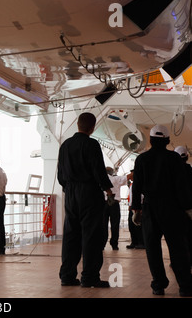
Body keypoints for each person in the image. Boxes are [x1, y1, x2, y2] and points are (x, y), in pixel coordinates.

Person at [132, 125, 192, 297]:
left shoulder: (141, 160)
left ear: (150, 140)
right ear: (167, 141)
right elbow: (181, 187)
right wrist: (188, 208)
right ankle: (185, 286)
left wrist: (136, 209)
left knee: (152, 248)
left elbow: (136, 187)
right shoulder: (174, 159)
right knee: (178, 248)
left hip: (150, 208)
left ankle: (158, 285)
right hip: (172, 209)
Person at [57, 112, 113, 288]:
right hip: (89, 193)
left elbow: (61, 174)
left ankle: (67, 276)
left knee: (71, 235)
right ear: (92, 127)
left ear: (78, 125)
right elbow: (98, 170)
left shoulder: (65, 145)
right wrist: (107, 189)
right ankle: (89, 277)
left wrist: (69, 188)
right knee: (91, 236)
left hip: (71, 193)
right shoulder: (92, 144)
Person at [103, 167, 132, 250]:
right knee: (115, 224)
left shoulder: (101, 179)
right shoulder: (116, 179)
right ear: (112, 172)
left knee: (103, 224)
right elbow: (128, 177)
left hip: (103, 204)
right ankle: (114, 244)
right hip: (114, 203)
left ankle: (102, 243)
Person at [174, 146, 192, 264]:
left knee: (176, 238)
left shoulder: (170, 173)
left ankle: (177, 261)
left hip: (174, 210)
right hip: (189, 209)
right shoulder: (190, 172)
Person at [126, 173, 145, 249]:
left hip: (138, 206)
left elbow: (141, 195)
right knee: (131, 226)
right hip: (132, 207)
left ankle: (141, 242)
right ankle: (134, 242)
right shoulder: (131, 185)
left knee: (139, 226)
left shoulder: (141, 183)